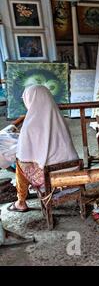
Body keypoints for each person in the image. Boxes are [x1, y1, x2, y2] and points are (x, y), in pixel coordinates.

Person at [7, 85, 79, 213]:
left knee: (19, 163)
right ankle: (21, 200)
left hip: (51, 176)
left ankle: (21, 201)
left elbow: (23, 155)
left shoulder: (30, 124)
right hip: (73, 170)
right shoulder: (59, 118)